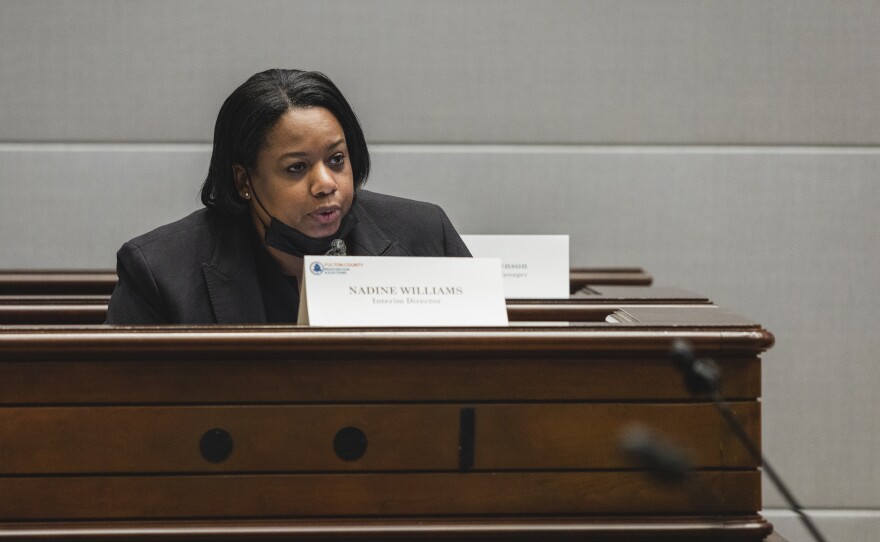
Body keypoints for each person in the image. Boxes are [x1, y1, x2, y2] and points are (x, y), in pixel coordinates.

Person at [106, 69, 470, 324]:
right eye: (296, 168)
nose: (326, 183)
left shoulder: (424, 234)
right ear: (244, 179)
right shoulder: (159, 271)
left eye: (336, 160)